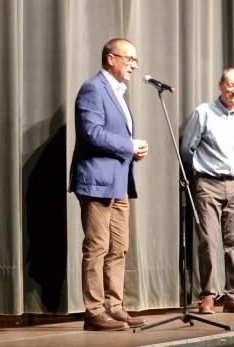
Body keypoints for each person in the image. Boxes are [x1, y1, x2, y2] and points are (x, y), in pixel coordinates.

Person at [69, 38, 149, 331]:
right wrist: (129, 145)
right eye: (130, 59)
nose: (135, 65)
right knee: (97, 247)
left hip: (119, 184)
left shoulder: (119, 94)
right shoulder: (93, 88)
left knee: (119, 248)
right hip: (97, 183)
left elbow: (113, 137)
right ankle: (93, 311)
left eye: (135, 60)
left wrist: (133, 151)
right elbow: (91, 133)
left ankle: (114, 306)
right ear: (111, 58)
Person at [180, 67, 234, 314]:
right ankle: (208, 295)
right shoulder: (203, 113)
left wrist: (232, 169)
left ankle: (233, 295)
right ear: (220, 85)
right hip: (208, 183)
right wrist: (204, 173)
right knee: (208, 241)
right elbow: (187, 150)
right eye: (231, 85)